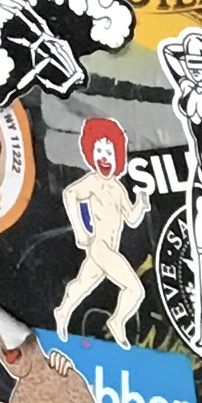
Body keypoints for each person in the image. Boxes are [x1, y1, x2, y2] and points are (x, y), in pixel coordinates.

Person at [54, 114, 147, 339]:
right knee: (135, 290)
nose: (103, 156)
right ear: (90, 153)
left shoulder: (118, 188)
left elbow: (131, 219)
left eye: (109, 152)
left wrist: (141, 204)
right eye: (98, 150)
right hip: (100, 246)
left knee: (81, 285)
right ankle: (116, 321)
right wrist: (80, 230)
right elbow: (70, 194)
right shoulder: (92, 182)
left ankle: (62, 311)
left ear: (118, 156)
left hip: (109, 248)